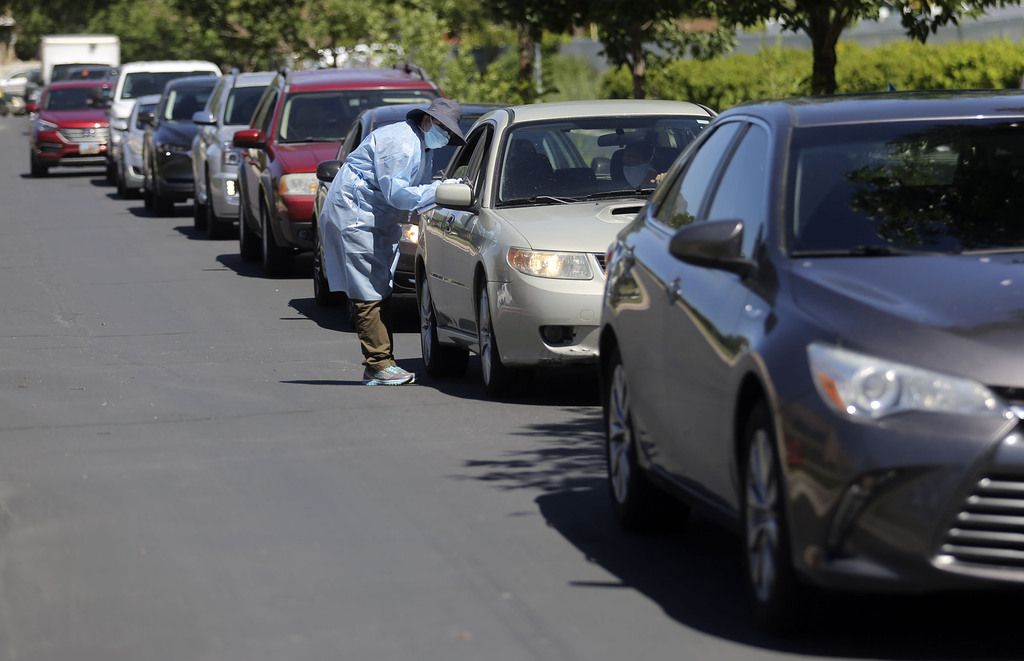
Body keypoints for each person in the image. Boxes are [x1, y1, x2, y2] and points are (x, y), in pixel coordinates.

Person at [319, 97, 466, 386]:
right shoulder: (401, 143)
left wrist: (435, 190)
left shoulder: (418, 144)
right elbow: (398, 193)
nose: (446, 137)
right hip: (357, 215)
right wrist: (439, 190)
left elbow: (408, 192)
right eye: (444, 130)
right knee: (368, 289)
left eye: (449, 133)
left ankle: (384, 362)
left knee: (379, 285)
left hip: (372, 216)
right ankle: (378, 364)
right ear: (427, 121)